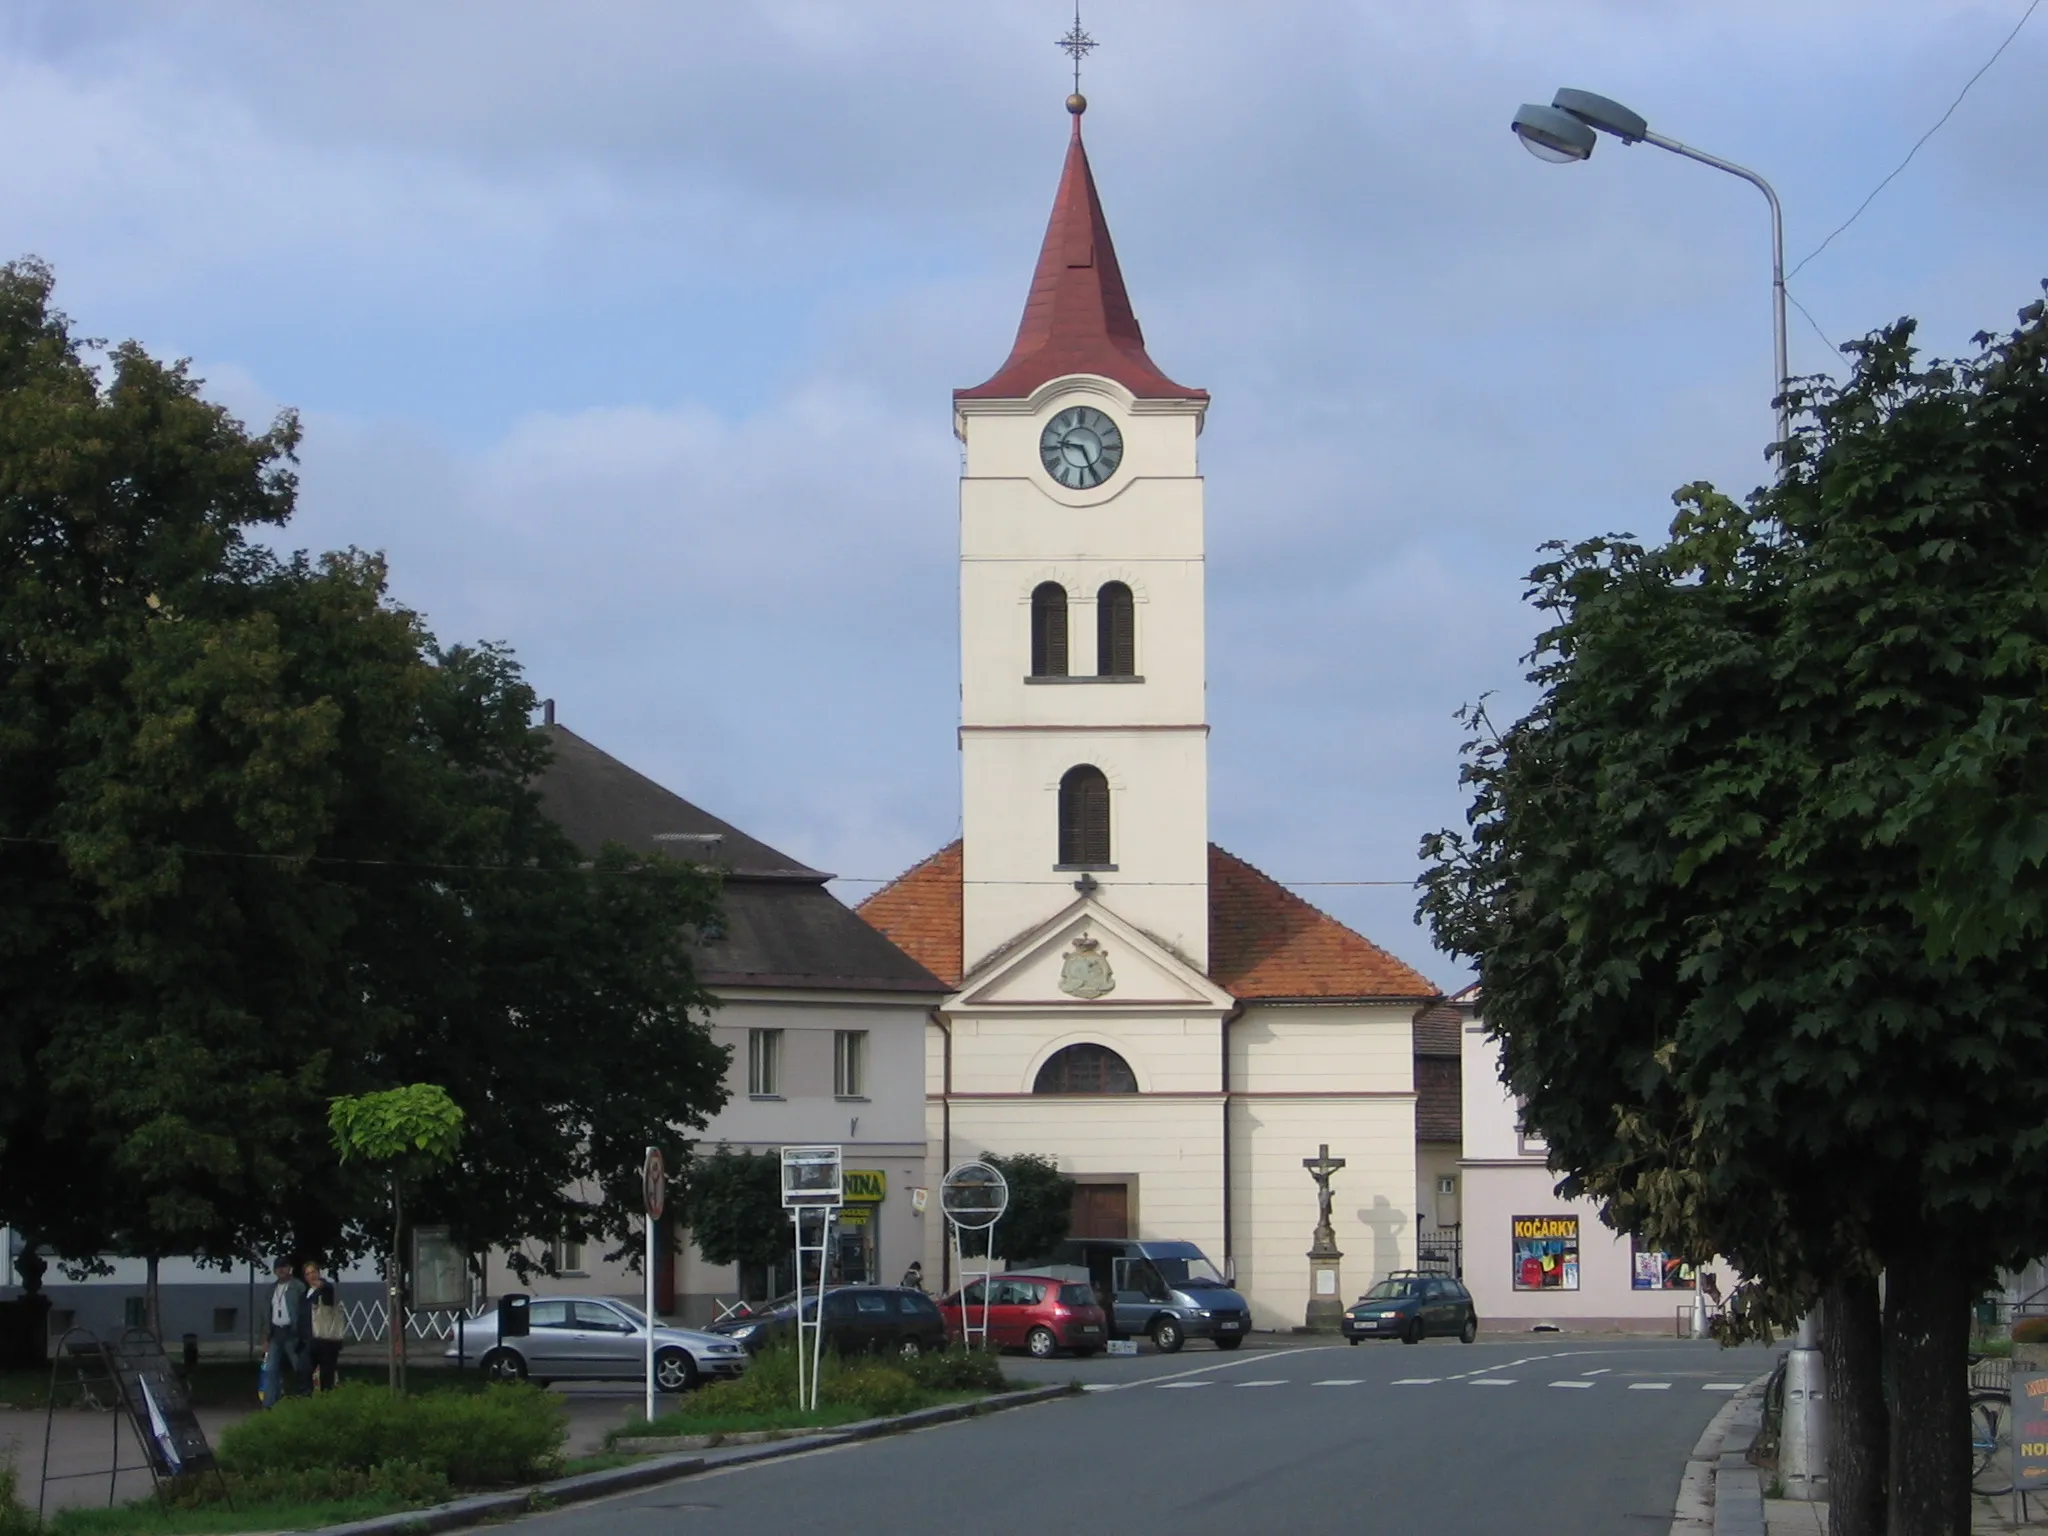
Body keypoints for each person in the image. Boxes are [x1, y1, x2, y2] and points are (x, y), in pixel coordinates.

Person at [262, 1256, 307, 1406]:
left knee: (299, 1367)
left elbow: (304, 1310)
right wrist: (266, 1337)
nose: (281, 1270)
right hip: (276, 1333)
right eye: (278, 1268)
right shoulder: (272, 1289)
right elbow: (267, 1313)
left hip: (292, 1333)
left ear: (290, 1268)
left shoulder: (298, 1287)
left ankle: (305, 1399)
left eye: (284, 1267)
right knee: (270, 1370)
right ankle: (269, 1404)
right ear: (274, 1271)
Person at [302, 1258, 345, 1392]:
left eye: (313, 1272)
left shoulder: (326, 1288)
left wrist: (320, 1285)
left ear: (319, 1272)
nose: (311, 1276)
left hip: (326, 1339)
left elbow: (327, 1290)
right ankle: (309, 1399)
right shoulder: (305, 1293)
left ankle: (327, 1401)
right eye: (308, 1274)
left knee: (327, 1375)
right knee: (305, 1371)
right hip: (311, 1340)